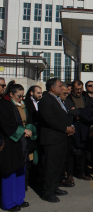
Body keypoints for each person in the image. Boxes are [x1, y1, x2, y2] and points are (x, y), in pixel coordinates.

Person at [39, 78, 75, 203]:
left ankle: (54, 187)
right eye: (60, 86)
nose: (62, 88)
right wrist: (65, 129)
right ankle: (47, 192)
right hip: (52, 139)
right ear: (52, 88)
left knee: (58, 166)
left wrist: (69, 128)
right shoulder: (45, 100)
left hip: (61, 138)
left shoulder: (58, 99)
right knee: (51, 167)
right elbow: (50, 119)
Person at [0, 82, 32, 211]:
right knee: (10, 172)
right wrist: (23, 131)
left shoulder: (20, 104)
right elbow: (4, 123)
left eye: (22, 96)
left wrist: (28, 129)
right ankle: (9, 202)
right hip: (10, 142)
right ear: (11, 94)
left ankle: (19, 198)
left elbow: (27, 120)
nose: (21, 98)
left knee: (20, 170)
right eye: (18, 96)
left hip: (21, 143)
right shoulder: (4, 104)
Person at [65, 80, 93, 181]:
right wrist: (82, 112)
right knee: (71, 152)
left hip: (84, 127)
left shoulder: (85, 97)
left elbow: (90, 110)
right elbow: (69, 111)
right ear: (72, 89)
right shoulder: (68, 98)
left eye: (80, 89)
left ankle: (81, 172)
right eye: (77, 89)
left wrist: (79, 112)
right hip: (73, 127)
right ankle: (70, 174)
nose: (79, 91)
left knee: (83, 151)